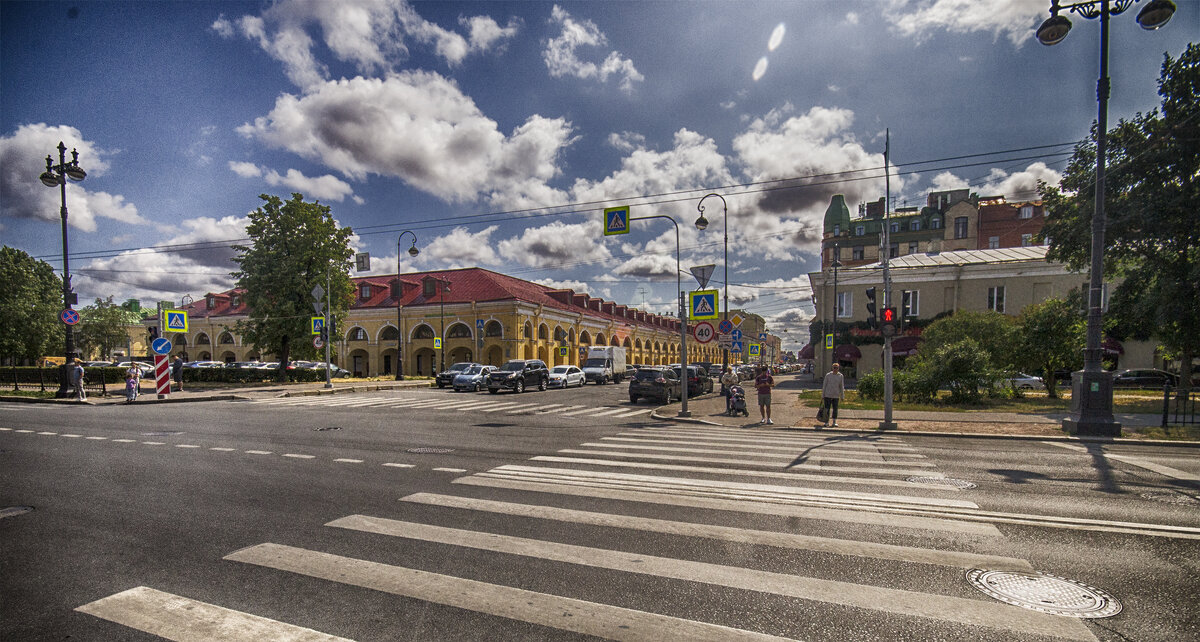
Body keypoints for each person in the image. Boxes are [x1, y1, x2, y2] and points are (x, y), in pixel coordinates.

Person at [821, 362, 845, 427]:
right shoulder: (828, 375)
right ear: (832, 368)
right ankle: (826, 422)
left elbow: (841, 386)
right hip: (827, 395)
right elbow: (824, 385)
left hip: (836, 395)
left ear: (838, 368)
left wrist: (842, 396)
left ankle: (834, 422)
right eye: (834, 368)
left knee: (835, 409)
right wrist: (823, 395)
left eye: (837, 368)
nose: (835, 369)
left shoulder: (840, 376)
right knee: (827, 409)